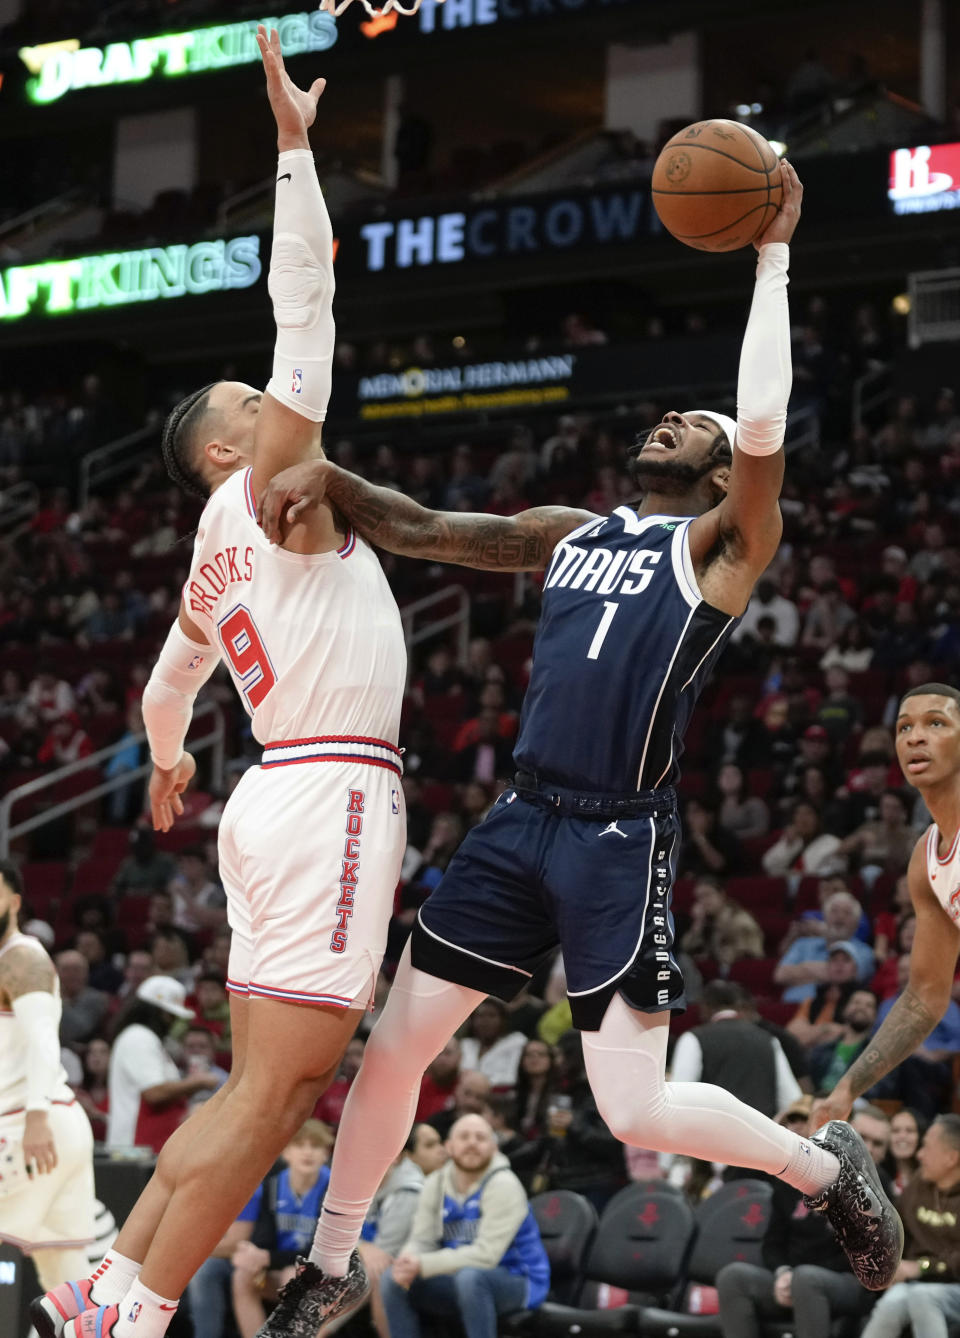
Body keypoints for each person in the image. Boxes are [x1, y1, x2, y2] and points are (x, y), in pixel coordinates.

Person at [251, 160, 901, 1338]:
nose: (671, 420)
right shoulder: (573, 533)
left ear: (716, 474)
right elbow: (432, 530)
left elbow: (761, 426)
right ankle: (331, 1262)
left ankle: (824, 1166)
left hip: (615, 830)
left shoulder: (723, 549)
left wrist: (771, 256)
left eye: (691, 424)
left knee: (636, 1107)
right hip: (520, 819)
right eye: (671, 414)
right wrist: (332, 475)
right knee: (393, 1045)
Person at [33, 28, 406, 1338]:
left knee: (259, 1090)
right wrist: (297, 153)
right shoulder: (267, 491)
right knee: (274, 1097)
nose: (280, 407)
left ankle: (103, 1279)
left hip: (269, 800)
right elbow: (306, 311)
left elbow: (159, 689)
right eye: (256, 402)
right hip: (329, 793)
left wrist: (175, 753)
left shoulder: (213, 546)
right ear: (230, 443)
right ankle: (130, 1309)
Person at [811, 685, 960, 1138]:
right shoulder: (926, 858)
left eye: (937, 723)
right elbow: (923, 998)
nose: (916, 736)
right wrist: (848, 1087)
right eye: (904, 727)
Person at [0, 860, 98, 1302]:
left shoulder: (22, 958)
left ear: (15, 901)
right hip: (52, 1123)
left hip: (30, 1124)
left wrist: (36, 1118)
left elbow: (44, 1042)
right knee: (65, 1277)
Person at [379, 1114, 550, 1338]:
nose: (472, 1143)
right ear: (448, 1147)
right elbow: (422, 1240)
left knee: (471, 1278)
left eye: (480, 1138)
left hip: (518, 1279)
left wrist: (422, 1263)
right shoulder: (435, 1183)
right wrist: (407, 1261)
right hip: (460, 1278)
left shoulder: (504, 1184)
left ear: (494, 1147)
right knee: (393, 1278)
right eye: (464, 1137)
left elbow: (486, 1256)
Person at [858, 1115, 960, 1338]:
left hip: (953, 1285)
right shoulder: (919, 1184)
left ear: (951, 1158)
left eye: (927, 1147)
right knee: (891, 1304)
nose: (920, 1155)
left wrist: (921, 1266)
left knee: (923, 1296)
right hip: (919, 1284)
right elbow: (895, 1230)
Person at [232, 1121, 334, 1338]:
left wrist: (267, 1257)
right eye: (299, 1145)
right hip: (285, 1265)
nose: (307, 1152)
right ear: (286, 1152)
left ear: (326, 1153)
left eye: (315, 1146)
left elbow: (320, 1252)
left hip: (327, 1274)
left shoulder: (333, 1189)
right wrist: (253, 1254)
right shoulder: (274, 1185)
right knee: (242, 1275)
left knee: (294, 1277)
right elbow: (264, 1239)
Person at [105, 976, 219, 1153]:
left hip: (148, 1146)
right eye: (170, 1016)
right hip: (135, 1148)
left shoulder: (149, 1040)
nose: (172, 1022)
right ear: (155, 1012)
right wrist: (198, 1081)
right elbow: (154, 1093)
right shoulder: (139, 1038)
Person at [670, 981, 801, 1122]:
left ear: (705, 1007)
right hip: (761, 1135)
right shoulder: (768, 1039)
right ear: (739, 1005)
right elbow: (791, 1099)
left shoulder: (693, 1038)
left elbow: (679, 1097)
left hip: (713, 1135)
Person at [808, 988, 878, 1094]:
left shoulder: (878, 1054)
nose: (861, 1007)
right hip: (818, 1100)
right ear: (845, 1009)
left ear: (875, 1015)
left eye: (869, 1005)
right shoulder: (822, 1050)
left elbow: (878, 1090)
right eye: (856, 1002)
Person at [889, 1109, 927, 1196]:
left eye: (909, 1130)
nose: (902, 1136)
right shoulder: (880, 1176)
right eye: (896, 1130)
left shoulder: (930, 1178)